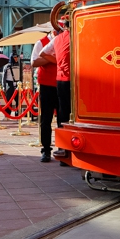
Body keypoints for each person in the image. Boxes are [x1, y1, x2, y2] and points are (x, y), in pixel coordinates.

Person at [42, 22, 72, 164]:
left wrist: (59, 62)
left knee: (63, 115)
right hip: (71, 79)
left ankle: (63, 152)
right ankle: (65, 150)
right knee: (66, 116)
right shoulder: (74, 36)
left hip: (60, 79)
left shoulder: (57, 39)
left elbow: (44, 53)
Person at [31, 33, 57, 162]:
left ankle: (64, 150)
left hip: (64, 83)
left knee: (64, 118)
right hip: (47, 84)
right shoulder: (41, 42)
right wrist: (52, 57)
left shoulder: (67, 39)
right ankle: (46, 149)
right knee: (46, 118)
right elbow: (34, 61)